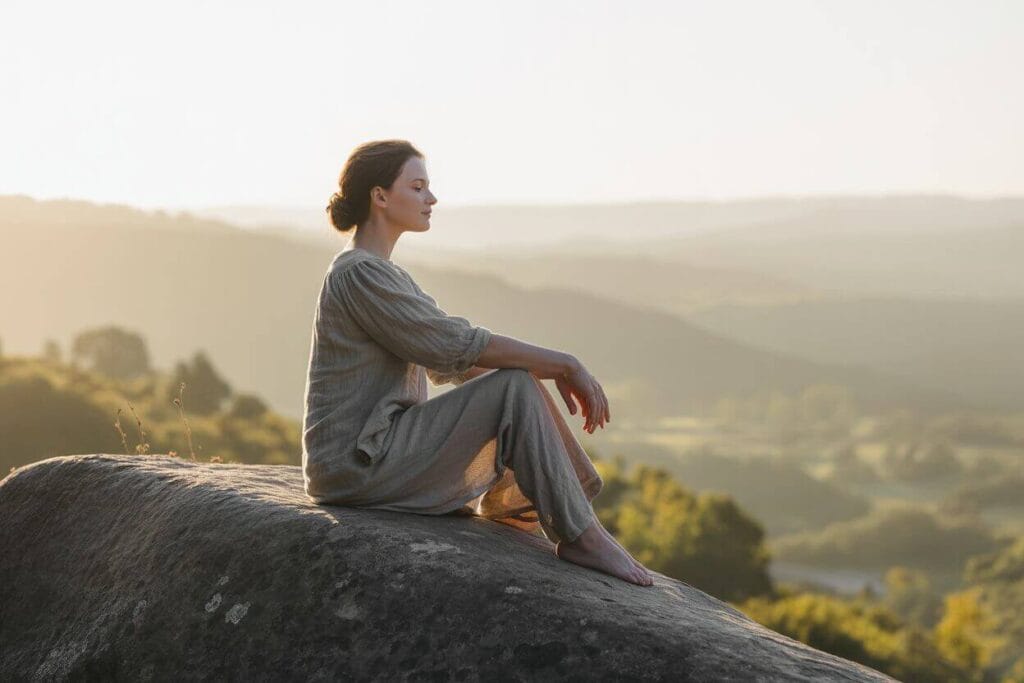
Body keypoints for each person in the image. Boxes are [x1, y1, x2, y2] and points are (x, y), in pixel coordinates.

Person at [302, 139, 653, 587]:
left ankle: (553, 517)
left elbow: (455, 364)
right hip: (355, 463)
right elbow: (455, 345)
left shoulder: (378, 272)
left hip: (372, 457)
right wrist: (563, 365)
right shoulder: (360, 273)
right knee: (513, 387)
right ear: (380, 196)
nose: (432, 199)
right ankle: (581, 535)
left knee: (515, 385)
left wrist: (530, 389)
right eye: (418, 186)